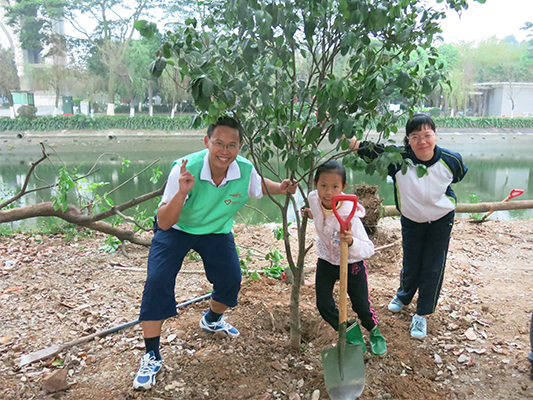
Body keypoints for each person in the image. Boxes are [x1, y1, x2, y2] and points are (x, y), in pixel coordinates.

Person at [133, 116, 297, 390]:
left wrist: (281, 188)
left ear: (240, 146)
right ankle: (151, 354)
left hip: (216, 231)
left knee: (231, 279)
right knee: (157, 281)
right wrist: (182, 193)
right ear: (207, 141)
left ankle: (211, 320)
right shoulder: (184, 169)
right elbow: (163, 223)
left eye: (232, 145)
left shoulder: (244, 169)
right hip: (177, 228)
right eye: (219, 143)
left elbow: (258, 185)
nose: (225, 151)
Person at [348, 114, 467, 340]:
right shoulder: (399, 159)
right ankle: (403, 296)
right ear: (408, 140)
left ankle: (422, 314)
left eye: (427, 135)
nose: (422, 141)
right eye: (415, 136)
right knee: (411, 261)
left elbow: (457, 178)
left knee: (433, 266)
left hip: (441, 221)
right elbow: (366, 150)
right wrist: (341, 130)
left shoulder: (451, 160)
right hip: (412, 221)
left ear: (435, 135)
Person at [302, 160, 387, 356]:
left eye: (335, 187)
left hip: (351, 264)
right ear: (315, 184)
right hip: (326, 261)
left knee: (361, 306)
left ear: (343, 188)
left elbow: (369, 249)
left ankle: (374, 331)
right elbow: (321, 217)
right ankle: (349, 330)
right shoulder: (314, 200)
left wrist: (350, 243)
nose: (328, 192)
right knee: (323, 304)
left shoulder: (350, 217)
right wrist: (310, 214)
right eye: (323, 185)